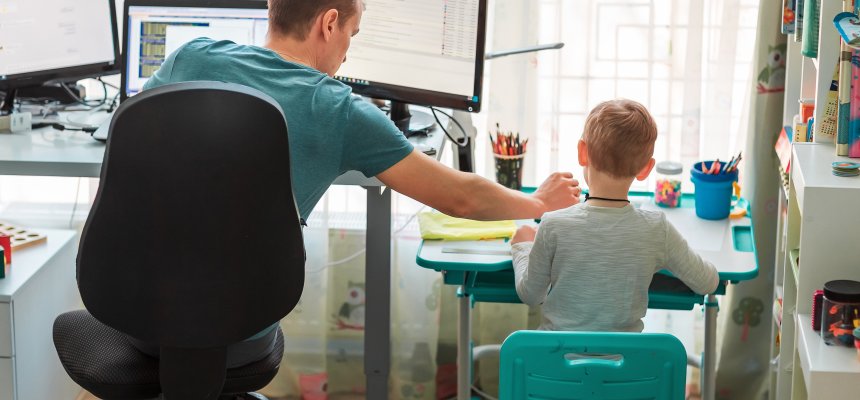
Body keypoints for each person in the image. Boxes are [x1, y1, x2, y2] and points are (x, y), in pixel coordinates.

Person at [132, 0, 581, 367]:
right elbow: (460, 196)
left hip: (134, 305)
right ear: (329, 24)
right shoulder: (339, 111)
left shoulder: (191, 57)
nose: (348, 52)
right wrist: (537, 200)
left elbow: (127, 132)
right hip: (238, 325)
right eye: (353, 34)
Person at [510, 99, 719, 332]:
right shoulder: (657, 230)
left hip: (555, 364)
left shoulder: (552, 225)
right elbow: (707, 282)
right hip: (625, 365)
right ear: (646, 169)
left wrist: (522, 247)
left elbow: (531, 295)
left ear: (582, 152)